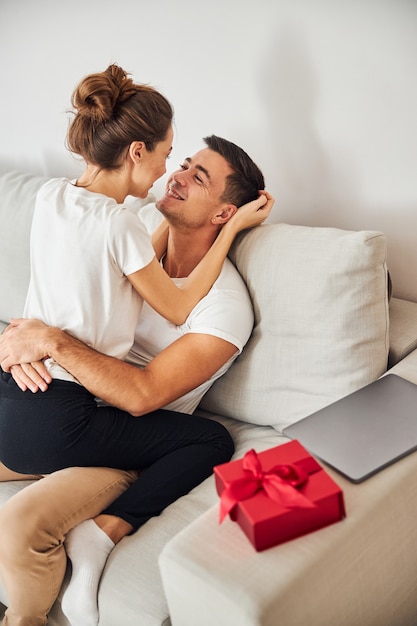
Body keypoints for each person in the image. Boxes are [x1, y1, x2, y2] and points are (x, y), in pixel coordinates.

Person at [0, 134, 274, 626]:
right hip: (63, 401)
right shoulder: (139, 232)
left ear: (222, 214)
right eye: (184, 163)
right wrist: (20, 343)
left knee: (18, 526)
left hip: (126, 437)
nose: (177, 175)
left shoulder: (225, 308)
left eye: (198, 177)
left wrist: (52, 342)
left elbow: (142, 396)